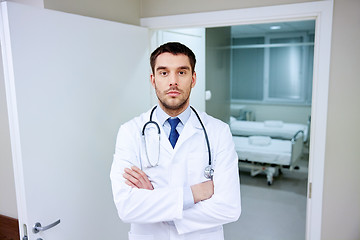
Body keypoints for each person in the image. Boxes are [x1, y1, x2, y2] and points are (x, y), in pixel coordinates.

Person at [110, 42, 241, 240]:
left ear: (193, 78)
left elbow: (229, 208)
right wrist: (195, 193)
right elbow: (127, 207)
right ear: (153, 80)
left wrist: (157, 205)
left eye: (181, 72)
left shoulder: (218, 132)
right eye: (164, 73)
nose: (173, 81)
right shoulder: (130, 132)